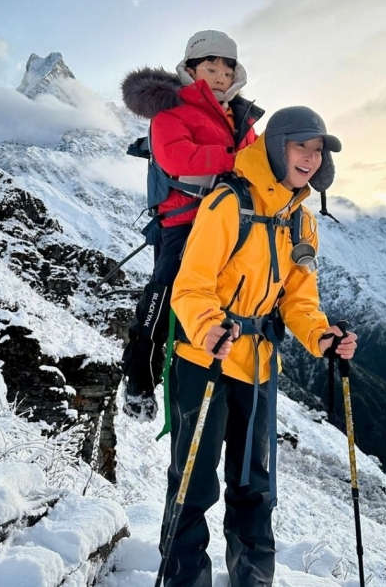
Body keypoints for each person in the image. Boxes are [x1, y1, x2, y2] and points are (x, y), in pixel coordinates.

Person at [161, 106, 358, 587]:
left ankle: (252, 580)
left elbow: (299, 300)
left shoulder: (301, 222)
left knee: (255, 487)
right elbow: (191, 285)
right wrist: (209, 327)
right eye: (301, 147)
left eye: (317, 151)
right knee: (193, 485)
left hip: (259, 365)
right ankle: (185, 580)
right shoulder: (228, 203)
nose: (310, 159)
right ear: (276, 146)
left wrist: (322, 336)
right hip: (205, 359)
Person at [120, 30, 264, 420]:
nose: (219, 76)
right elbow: (177, 157)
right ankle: (139, 375)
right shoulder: (171, 111)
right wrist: (236, 159)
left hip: (233, 222)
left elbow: (262, 161)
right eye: (210, 67)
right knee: (166, 290)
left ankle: (210, 372)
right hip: (185, 221)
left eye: (226, 69)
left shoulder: (240, 115)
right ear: (190, 69)